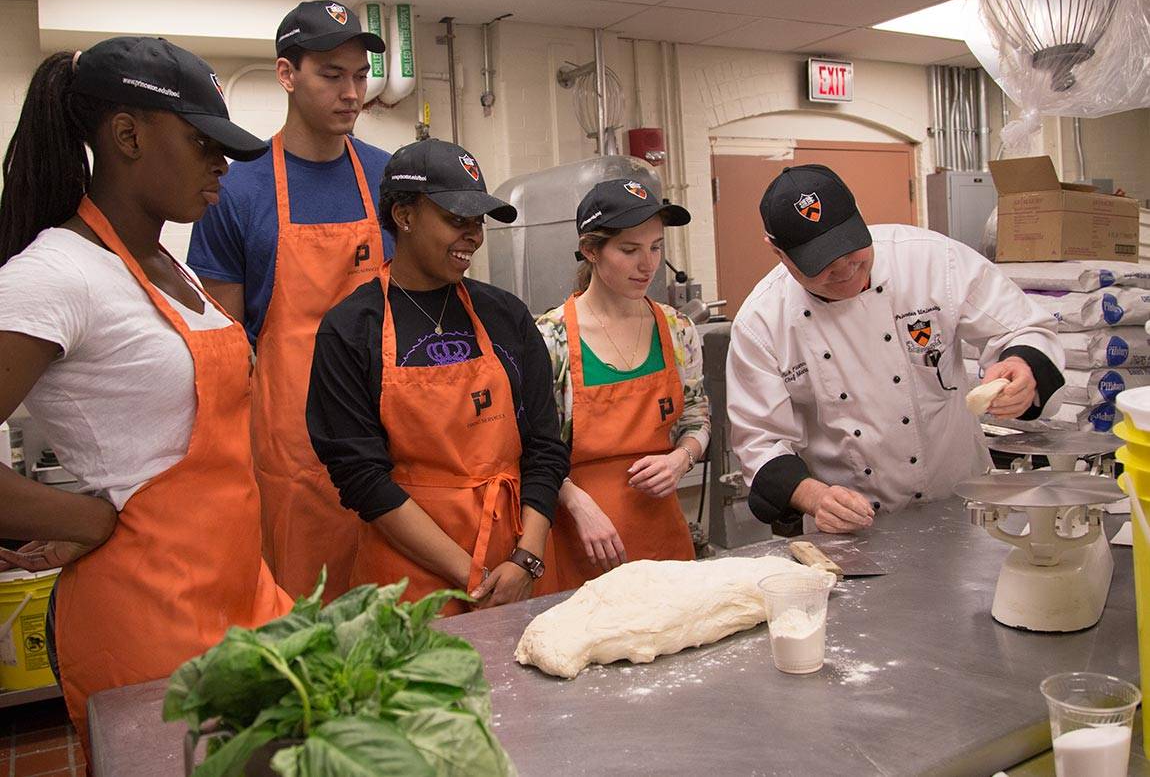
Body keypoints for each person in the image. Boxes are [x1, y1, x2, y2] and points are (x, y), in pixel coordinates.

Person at [0, 37, 290, 750]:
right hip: (147, 621)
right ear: (127, 134)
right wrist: (83, 521)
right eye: (202, 142)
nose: (221, 164)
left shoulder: (172, 267)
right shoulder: (56, 276)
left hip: (239, 591)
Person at [727, 164, 1064, 534]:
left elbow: (1022, 324)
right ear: (778, 252)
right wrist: (815, 498)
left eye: (851, 247)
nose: (845, 269)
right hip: (854, 530)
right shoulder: (761, 322)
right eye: (821, 262)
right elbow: (760, 444)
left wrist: (1022, 366)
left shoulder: (931, 260)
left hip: (964, 505)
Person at [306, 139, 568, 615]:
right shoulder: (351, 328)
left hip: (514, 569)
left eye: (478, 223)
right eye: (456, 220)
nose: (472, 236)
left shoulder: (505, 316)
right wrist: (472, 575)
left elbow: (546, 448)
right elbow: (362, 477)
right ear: (404, 216)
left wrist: (526, 560)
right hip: (408, 584)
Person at [188, 0, 391, 599]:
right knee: (305, 625)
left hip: (390, 438)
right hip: (291, 457)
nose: (351, 92)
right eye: (332, 75)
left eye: (359, 76)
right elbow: (225, 354)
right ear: (286, 73)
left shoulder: (389, 180)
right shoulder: (234, 189)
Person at [535, 179, 710, 590]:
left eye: (655, 247)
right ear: (591, 251)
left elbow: (697, 417)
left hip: (663, 542)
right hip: (581, 542)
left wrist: (679, 461)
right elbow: (531, 448)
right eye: (629, 250)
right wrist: (576, 502)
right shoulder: (551, 339)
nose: (647, 265)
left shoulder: (677, 329)